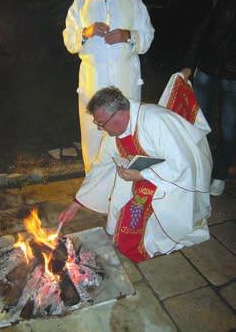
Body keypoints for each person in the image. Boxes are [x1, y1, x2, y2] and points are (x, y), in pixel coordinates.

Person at [58, 84, 212, 262]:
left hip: (179, 178)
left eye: (101, 123)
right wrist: (76, 203)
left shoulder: (156, 120)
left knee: (133, 237)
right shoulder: (116, 131)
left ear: (120, 114)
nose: (100, 128)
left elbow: (183, 162)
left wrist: (143, 175)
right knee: (121, 193)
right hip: (149, 174)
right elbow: (101, 166)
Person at [63, 0, 155, 172]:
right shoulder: (81, 3)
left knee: (126, 132)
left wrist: (128, 35)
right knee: (93, 137)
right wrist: (85, 33)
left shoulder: (132, 0)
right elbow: (69, 41)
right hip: (92, 83)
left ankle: (126, 185)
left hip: (125, 81)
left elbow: (148, 36)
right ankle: (94, 188)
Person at [182, 0, 236, 196]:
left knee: (229, 128)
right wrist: (189, 64)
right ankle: (198, 169)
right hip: (207, 68)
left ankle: (220, 174)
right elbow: (201, 29)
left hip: (233, 77)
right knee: (197, 123)